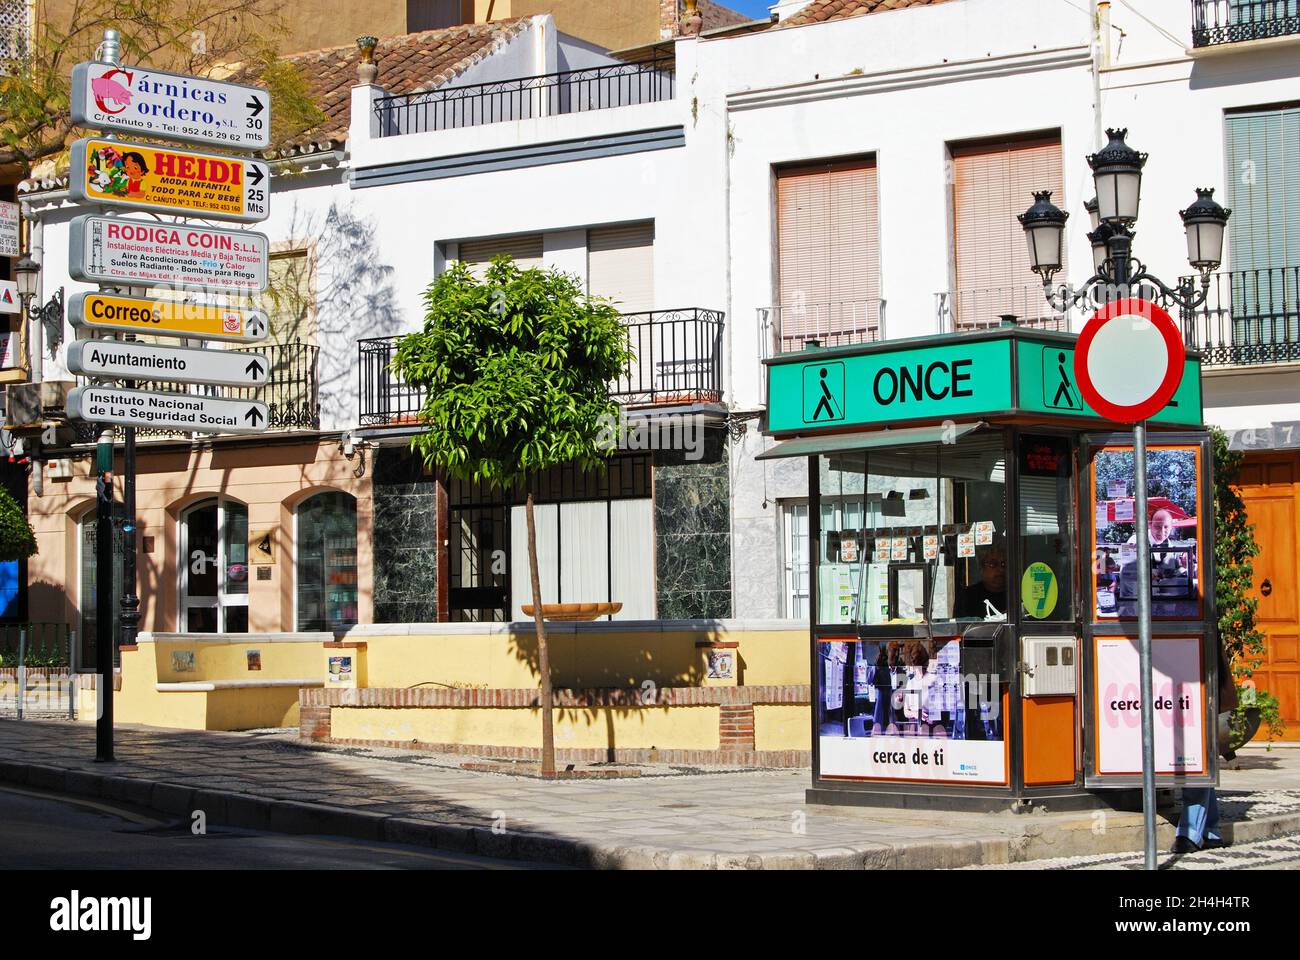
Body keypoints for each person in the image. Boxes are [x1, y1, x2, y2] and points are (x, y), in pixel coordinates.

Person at [1173, 645, 1238, 853]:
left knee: (1192, 757)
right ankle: (1211, 830)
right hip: (1187, 684)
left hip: (1196, 687)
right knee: (1197, 759)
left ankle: (1189, 831)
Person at [955, 542, 1007, 618]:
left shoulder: (1016, 594)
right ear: (981, 568)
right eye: (993, 564)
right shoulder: (968, 596)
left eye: (1003, 564)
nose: (1000, 569)